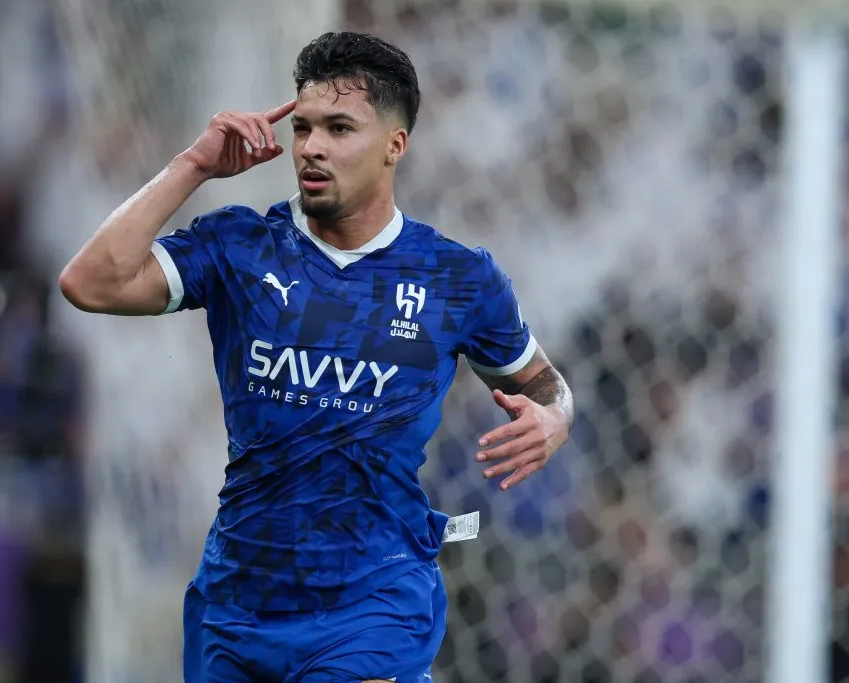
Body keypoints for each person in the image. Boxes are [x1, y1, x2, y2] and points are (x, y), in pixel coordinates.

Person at [59, 31, 574, 683]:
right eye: (302, 127)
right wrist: (194, 164)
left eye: (339, 128)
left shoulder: (458, 277)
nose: (311, 147)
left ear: (394, 145)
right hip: (237, 601)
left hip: (374, 601)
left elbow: (545, 384)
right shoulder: (241, 245)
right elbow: (90, 282)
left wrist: (555, 417)